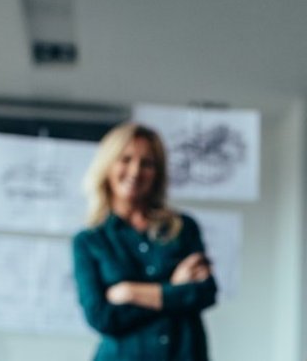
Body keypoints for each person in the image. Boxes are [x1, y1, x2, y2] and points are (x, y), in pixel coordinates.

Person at [72, 122, 216, 361]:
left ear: (157, 172)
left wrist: (130, 292)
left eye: (147, 163)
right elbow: (102, 317)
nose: (135, 171)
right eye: (125, 159)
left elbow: (204, 292)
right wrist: (173, 287)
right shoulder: (89, 241)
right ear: (108, 166)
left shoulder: (183, 228)